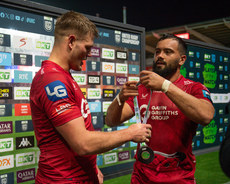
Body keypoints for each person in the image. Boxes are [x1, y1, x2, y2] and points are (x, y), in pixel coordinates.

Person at [30, 11, 152, 184]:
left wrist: (91, 165)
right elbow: (83, 143)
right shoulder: (52, 79)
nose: (88, 54)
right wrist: (130, 132)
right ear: (71, 41)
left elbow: (73, 138)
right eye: (87, 47)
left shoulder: (62, 76)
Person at [106, 34, 215, 184]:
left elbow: (206, 116)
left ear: (182, 60)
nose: (160, 56)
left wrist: (164, 86)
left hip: (179, 177)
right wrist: (119, 98)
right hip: (142, 176)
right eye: (158, 52)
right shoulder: (142, 88)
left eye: (168, 52)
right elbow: (111, 121)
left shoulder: (193, 87)